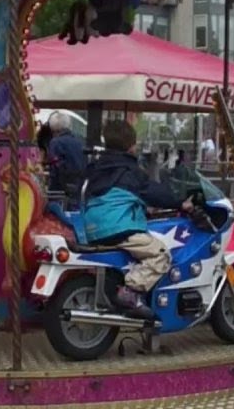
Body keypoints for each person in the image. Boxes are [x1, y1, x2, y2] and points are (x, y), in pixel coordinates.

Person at [81, 119, 191, 319]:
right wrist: (180, 203)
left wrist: (142, 210)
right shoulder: (129, 170)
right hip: (117, 228)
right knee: (161, 254)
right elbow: (153, 191)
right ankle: (130, 292)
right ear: (132, 145)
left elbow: (115, 198)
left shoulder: (98, 167)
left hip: (92, 229)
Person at [45, 111, 86, 201]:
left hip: (60, 191)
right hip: (77, 188)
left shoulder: (55, 143)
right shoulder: (78, 142)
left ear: (54, 128)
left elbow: (56, 167)